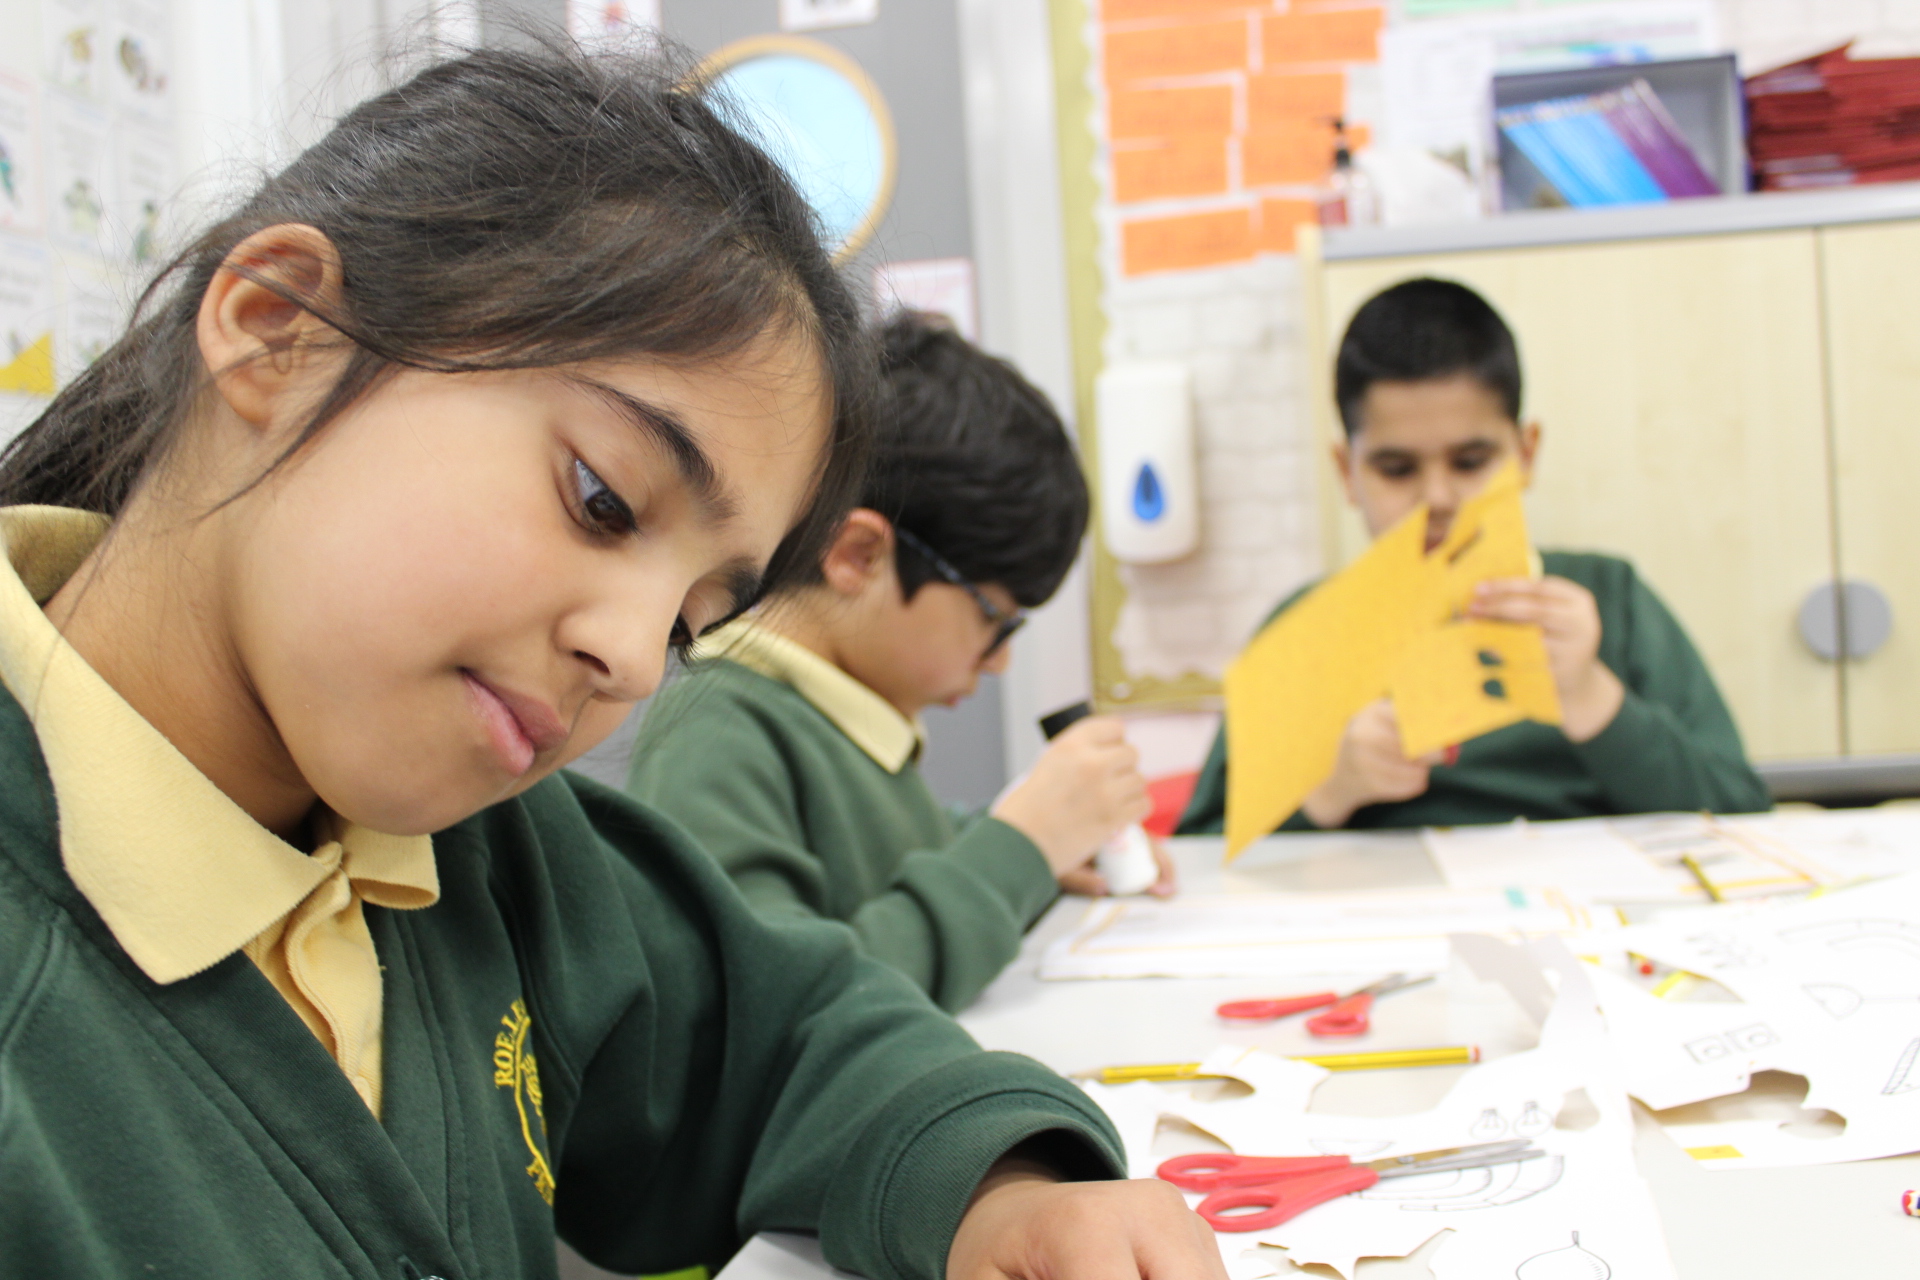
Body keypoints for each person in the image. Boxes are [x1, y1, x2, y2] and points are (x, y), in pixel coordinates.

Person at [0, 44, 1223, 1280]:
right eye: (601, 498)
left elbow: (790, 1032)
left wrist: (1001, 1193)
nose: (637, 659)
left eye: (694, 619)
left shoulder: (489, 853)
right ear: (279, 332)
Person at [628, 313, 1170, 1014]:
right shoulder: (714, 731)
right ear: (859, 553)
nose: (1000, 661)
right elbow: (779, 1009)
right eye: (993, 619)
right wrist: (1020, 846)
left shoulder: (838, 719)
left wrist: (1050, 847)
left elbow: (889, 878)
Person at [1181, 277, 1769, 835]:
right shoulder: (1303, 631)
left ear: (1525, 454)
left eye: (1471, 462)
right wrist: (1328, 790)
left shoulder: (1608, 598)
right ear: (1347, 473)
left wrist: (1591, 695)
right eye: (1396, 469)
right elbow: (1203, 849)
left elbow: (1741, 813)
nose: (1438, 498)